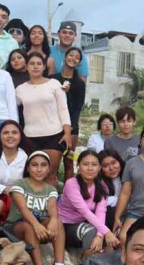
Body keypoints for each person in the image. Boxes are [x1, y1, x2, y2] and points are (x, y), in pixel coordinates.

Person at [5, 151, 66, 265]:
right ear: (28, 168)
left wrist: (54, 219)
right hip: (17, 228)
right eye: (34, 165)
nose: (39, 169)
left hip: (39, 230)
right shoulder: (20, 184)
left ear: (49, 169)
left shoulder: (51, 189)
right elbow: (23, 208)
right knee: (29, 226)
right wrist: (36, 225)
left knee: (57, 222)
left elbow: (52, 207)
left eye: (43, 165)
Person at [15, 51, 71, 187]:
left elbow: (63, 109)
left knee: (50, 174)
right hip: (29, 137)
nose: (35, 66)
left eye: (39, 63)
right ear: (26, 66)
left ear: (44, 67)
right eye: (32, 63)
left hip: (54, 135)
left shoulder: (54, 84)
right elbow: (10, 109)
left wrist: (67, 133)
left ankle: (51, 207)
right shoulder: (20, 89)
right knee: (33, 176)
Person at [59, 150, 120, 255]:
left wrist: (100, 235)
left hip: (85, 222)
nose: (90, 168)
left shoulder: (102, 186)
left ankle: (102, 259)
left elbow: (101, 212)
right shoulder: (72, 184)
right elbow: (85, 212)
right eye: (85, 164)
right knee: (91, 231)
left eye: (94, 164)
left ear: (99, 167)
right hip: (65, 225)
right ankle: (89, 264)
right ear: (79, 166)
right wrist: (106, 232)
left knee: (107, 221)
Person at [52, 47, 86, 180]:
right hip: (53, 126)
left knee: (69, 161)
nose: (73, 58)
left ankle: (68, 196)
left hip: (71, 129)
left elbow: (77, 108)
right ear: (65, 57)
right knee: (52, 163)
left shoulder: (79, 84)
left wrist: (70, 127)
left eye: (77, 57)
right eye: (71, 55)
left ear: (79, 63)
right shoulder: (53, 79)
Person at [0, 120, 29, 221]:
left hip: (14, 197)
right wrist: (2, 189)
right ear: (0, 135)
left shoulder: (25, 156)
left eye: (14, 133)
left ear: (20, 136)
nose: (10, 136)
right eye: (6, 133)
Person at [99, 149, 124, 232]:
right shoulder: (99, 181)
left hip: (129, 215)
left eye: (113, 163)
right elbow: (97, 201)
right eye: (105, 166)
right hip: (109, 219)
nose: (111, 168)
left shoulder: (129, 176)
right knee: (109, 209)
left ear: (119, 161)